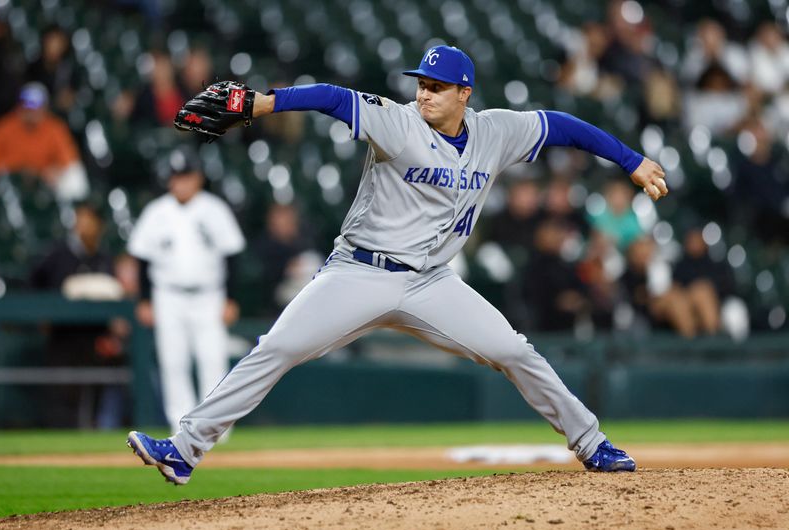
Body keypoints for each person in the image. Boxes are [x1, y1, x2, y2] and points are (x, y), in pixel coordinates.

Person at [127, 45, 668, 484]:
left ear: (464, 93)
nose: (424, 93)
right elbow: (331, 98)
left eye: (436, 87)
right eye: (421, 84)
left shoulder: (495, 132)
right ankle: (183, 449)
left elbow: (564, 126)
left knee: (512, 350)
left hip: (430, 282)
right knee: (277, 348)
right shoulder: (398, 122)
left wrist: (632, 160)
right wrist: (265, 103)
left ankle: (592, 444)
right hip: (358, 272)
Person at [127, 146, 245, 434]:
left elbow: (233, 256)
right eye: (177, 176)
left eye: (187, 176)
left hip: (209, 294)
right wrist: (144, 300)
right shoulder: (157, 212)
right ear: (169, 180)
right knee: (173, 362)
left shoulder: (214, 209)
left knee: (212, 359)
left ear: (199, 178)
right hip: (167, 295)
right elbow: (142, 259)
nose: (182, 182)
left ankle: (215, 428)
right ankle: (181, 427)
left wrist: (231, 298)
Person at [29, 203, 126, 428]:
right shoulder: (58, 253)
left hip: (94, 337)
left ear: (99, 225)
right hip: (64, 337)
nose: (82, 226)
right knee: (63, 394)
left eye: (88, 220)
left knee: (95, 393)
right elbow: (34, 282)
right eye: (79, 219)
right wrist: (42, 314)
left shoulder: (103, 257)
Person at [0, 82, 88, 201]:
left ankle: (68, 213)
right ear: (19, 106)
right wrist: (16, 168)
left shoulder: (54, 128)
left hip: (43, 180)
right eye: (27, 105)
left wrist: (53, 169)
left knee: (74, 176)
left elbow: (69, 159)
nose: (31, 111)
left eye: (36, 106)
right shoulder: (5, 127)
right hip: (11, 179)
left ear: (45, 107)